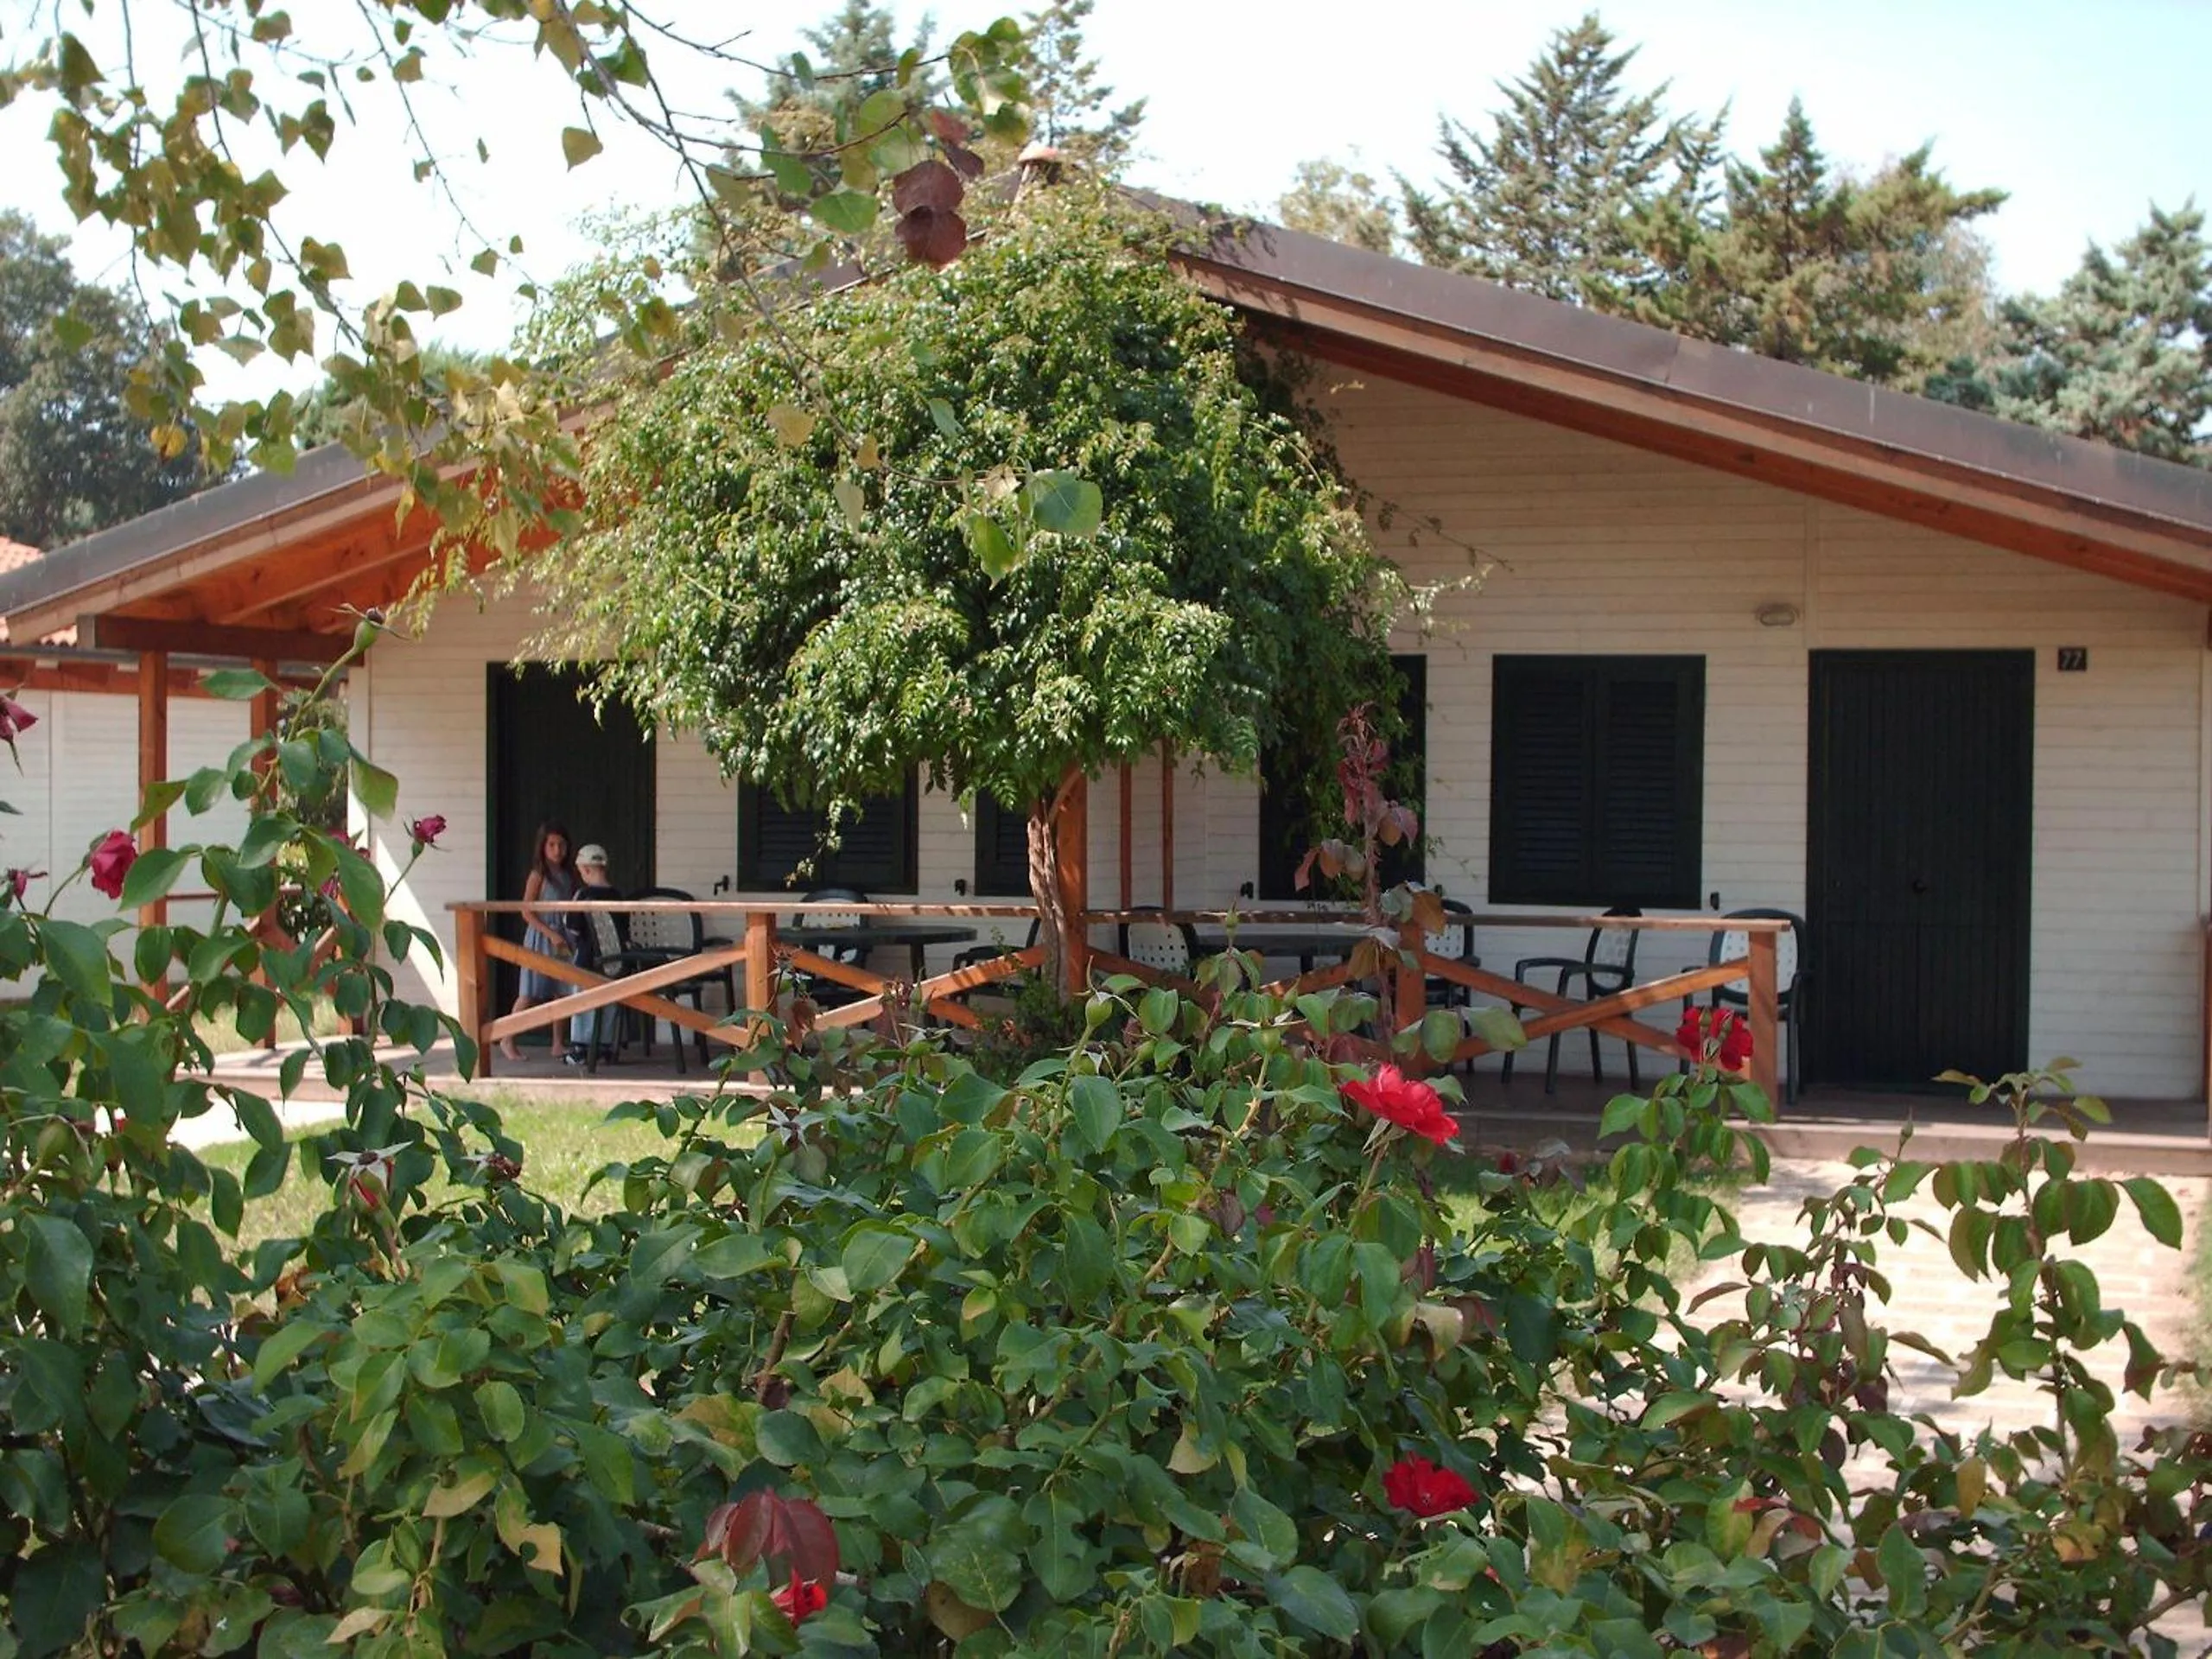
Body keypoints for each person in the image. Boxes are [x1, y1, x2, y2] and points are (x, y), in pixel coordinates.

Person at [499, 821, 580, 1063]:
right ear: (543, 847)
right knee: (529, 992)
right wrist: (549, 933)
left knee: (562, 991)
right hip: (541, 937)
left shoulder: (568, 876)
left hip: (564, 939)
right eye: (552, 845)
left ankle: (558, 1043)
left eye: (562, 845)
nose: (557, 850)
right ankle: (507, 1038)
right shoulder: (538, 875)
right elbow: (527, 911)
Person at [565, 843, 618, 1066]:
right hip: (615, 960)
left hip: (586, 957)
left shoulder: (583, 895)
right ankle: (605, 1046)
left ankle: (581, 1047)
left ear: (586, 870)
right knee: (609, 1002)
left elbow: (572, 924)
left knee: (583, 1001)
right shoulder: (617, 895)